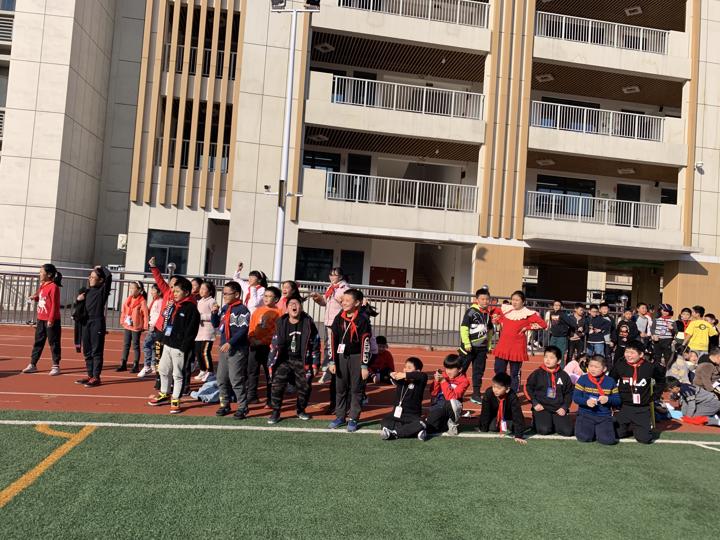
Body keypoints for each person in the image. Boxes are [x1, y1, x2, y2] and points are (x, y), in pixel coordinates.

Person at [147, 277, 200, 414]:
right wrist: (165, 339)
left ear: (186, 292)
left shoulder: (191, 309)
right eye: (173, 291)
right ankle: (164, 392)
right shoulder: (174, 305)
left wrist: (184, 347)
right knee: (163, 369)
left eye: (177, 291)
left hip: (179, 348)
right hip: (168, 344)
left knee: (177, 374)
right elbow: (167, 323)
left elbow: (191, 331)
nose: (174, 293)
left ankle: (176, 398)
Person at [267, 295, 320, 424]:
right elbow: (274, 345)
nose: (294, 306)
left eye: (297, 303)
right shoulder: (281, 322)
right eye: (291, 304)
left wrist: (315, 363)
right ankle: (276, 412)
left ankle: (300, 410)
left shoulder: (308, 323)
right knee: (277, 385)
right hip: (284, 359)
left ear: (301, 307)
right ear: (287, 308)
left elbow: (316, 343)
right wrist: (271, 363)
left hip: (302, 360)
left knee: (305, 386)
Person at [326, 288, 372, 432]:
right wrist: (332, 361)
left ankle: (353, 418)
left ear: (357, 303)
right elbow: (333, 340)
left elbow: (365, 342)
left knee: (356, 389)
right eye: (343, 300)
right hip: (341, 357)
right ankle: (340, 416)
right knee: (340, 388)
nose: (343, 303)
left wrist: (364, 365)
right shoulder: (339, 317)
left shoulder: (362, 320)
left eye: (347, 300)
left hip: (357, 357)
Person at [610, 341, 665, 444]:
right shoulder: (620, 365)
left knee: (645, 439)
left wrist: (655, 396)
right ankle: (630, 428)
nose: (629, 355)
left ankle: (639, 427)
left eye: (632, 352)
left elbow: (661, 380)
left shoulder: (650, 367)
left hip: (642, 408)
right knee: (616, 434)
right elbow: (611, 380)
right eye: (627, 352)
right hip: (624, 406)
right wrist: (614, 398)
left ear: (641, 354)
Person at [492, 290, 547, 393]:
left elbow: (543, 324)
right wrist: (496, 319)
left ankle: (513, 393)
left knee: (514, 372)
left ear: (523, 301)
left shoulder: (528, 314)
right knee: (498, 369)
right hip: (503, 345)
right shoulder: (506, 310)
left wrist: (528, 327)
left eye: (517, 300)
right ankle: (500, 389)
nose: (514, 302)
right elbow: (496, 315)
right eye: (513, 299)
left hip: (516, 347)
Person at [211, 281, 251, 419]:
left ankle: (242, 407)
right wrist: (214, 313)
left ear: (237, 294)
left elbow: (243, 329)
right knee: (221, 378)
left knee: (236, 379)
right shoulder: (225, 308)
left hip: (237, 349)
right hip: (224, 349)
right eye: (224, 294)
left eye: (228, 294)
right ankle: (224, 404)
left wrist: (231, 342)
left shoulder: (242, 310)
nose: (225, 296)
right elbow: (216, 324)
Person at [311, 267, 349, 387]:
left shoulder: (344, 289)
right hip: (328, 321)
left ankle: (330, 370)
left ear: (341, 276)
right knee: (328, 345)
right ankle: (328, 369)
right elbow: (325, 303)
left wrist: (336, 295)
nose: (332, 277)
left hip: (338, 322)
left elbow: (346, 304)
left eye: (335, 275)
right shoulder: (331, 287)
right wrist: (318, 299)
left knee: (334, 346)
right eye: (330, 275)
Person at [75, 266, 113, 387]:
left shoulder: (102, 291)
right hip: (86, 323)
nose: (90, 279)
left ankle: (96, 377)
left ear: (100, 280)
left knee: (96, 351)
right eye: (89, 277)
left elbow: (109, 277)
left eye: (93, 277)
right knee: (87, 351)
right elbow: (80, 308)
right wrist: (78, 300)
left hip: (97, 322)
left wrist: (101, 267)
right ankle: (90, 375)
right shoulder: (87, 292)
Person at [524, 346, 573, 436]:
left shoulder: (564, 375)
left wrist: (564, 407)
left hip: (558, 409)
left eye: (551, 357)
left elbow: (569, 393)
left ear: (559, 361)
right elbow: (527, 388)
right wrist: (535, 403)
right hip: (542, 408)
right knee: (544, 430)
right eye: (546, 356)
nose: (547, 360)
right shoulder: (537, 373)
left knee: (568, 431)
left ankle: (552, 421)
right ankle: (537, 421)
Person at [23, 263, 63, 376]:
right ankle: (33, 364)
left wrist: (51, 319)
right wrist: (34, 297)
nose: (39, 274)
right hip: (41, 318)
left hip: (51, 320)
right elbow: (41, 297)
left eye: (41, 272)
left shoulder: (54, 287)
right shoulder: (43, 285)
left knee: (53, 343)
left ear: (49, 274)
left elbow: (54, 305)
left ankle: (56, 365)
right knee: (38, 342)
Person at [573, 356, 621, 445]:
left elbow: (617, 400)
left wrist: (608, 399)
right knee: (584, 438)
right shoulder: (583, 379)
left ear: (604, 369)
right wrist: (586, 401)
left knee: (608, 441)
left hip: (603, 416)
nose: (592, 369)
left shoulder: (610, 381)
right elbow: (576, 397)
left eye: (596, 367)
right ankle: (592, 429)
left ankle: (606, 426)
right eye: (590, 366)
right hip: (586, 414)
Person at [460, 288, 496, 403]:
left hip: (481, 349)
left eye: (487, 299)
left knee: (478, 372)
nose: (485, 301)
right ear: (477, 300)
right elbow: (464, 328)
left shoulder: (487, 314)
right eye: (482, 299)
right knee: (461, 370)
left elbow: (490, 330)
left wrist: (488, 345)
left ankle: (476, 394)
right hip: (468, 348)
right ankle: (457, 392)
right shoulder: (471, 311)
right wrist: (466, 343)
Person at [380, 357, 429, 441]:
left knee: (422, 423)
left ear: (417, 371)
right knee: (385, 420)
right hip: (396, 415)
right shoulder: (401, 381)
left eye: (409, 368)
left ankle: (395, 433)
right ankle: (414, 432)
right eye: (405, 367)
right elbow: (384, 371)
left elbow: (422, 375)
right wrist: (391, 373)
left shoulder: (420, 381)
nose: (405, 369)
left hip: (412, 416)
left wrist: (404, 374)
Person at [248, 286, 283, 405]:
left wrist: (262, 341)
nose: (266, 298)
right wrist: (252, 338)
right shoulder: (257, 311)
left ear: (276, 299)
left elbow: (275, 332)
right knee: (252, 371)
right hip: (254, 345)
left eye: (269, 296)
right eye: (265, 296)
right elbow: (252, 327)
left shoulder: (279, 313)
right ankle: (252, 395)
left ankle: (270, 398)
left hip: (269, 348)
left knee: (270, 373)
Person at [426, 354, 469, 437]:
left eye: (451, 368)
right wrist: (436, 381)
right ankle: (445, 424)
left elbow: (451, 398)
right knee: (430, 428)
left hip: (451, 406)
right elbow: (433, 393)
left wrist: (443, 382)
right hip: (439, 404)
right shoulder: (443, 375)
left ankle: (452, 422)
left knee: (451, 402)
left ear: (460, 369)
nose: (448, 371)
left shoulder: (464, 381)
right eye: (446, 368)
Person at [478, 372, 527, 443]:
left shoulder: (512, 396)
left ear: (507, 389)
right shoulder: (489, 393)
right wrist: (483, 429)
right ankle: (500, 425)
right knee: (492, 427)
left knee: (518, 426)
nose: (495, 390)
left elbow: (517, 415)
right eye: (494, 386)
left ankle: (507, 425)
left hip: (508, 418)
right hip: (495, 417)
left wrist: (518, 436)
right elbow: (485, 412)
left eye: (499, 388)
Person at [116, 281, 149, 373]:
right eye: (130, 288)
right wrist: (122, 320)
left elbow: (145, 315)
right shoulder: (128, 299)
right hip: (128, 325)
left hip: (136, 326)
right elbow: (124, 311)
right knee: (126, 344)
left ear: (139, 290)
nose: (131, 290)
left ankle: (135, 365)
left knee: (135, 345)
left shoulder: (142, 301)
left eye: (133, 288)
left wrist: (145, 326)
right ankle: (123, 363)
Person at [193, 281, 217, 383]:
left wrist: (201, 316)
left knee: (205, 352)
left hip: (208, 331)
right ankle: (202, 370)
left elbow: (214, 316)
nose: (201, 291)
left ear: (210, 291)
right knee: (197, 352)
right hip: (199, 331)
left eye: (204, 289)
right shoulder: (200, 301)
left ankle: (210, 371)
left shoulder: (212, 301)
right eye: (201, 289)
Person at [139, 283, 163, 378]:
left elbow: (160, 315)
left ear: (159, 292)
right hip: (153, 326)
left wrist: (154, 325)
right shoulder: (155, 301)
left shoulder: (160, 302)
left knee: (146, 345)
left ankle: (147, 365)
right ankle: (153, 365)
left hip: (155, 327)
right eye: (151, 290)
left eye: (154, 290)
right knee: (153, 346)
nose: (152, 292)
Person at [545, 300, 573, 365]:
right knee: (551, 353)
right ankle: (551, 366)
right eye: (555, 305)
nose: (556, 306)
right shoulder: (551, 313)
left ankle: (561, 368)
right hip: (553, 336)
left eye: (558, 305)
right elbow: (551, 323)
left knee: (560, 354)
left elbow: (571, 323)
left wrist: (567, 331)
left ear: (561, 306)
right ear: (553, 306)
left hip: (561, 337)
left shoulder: (563, 314)